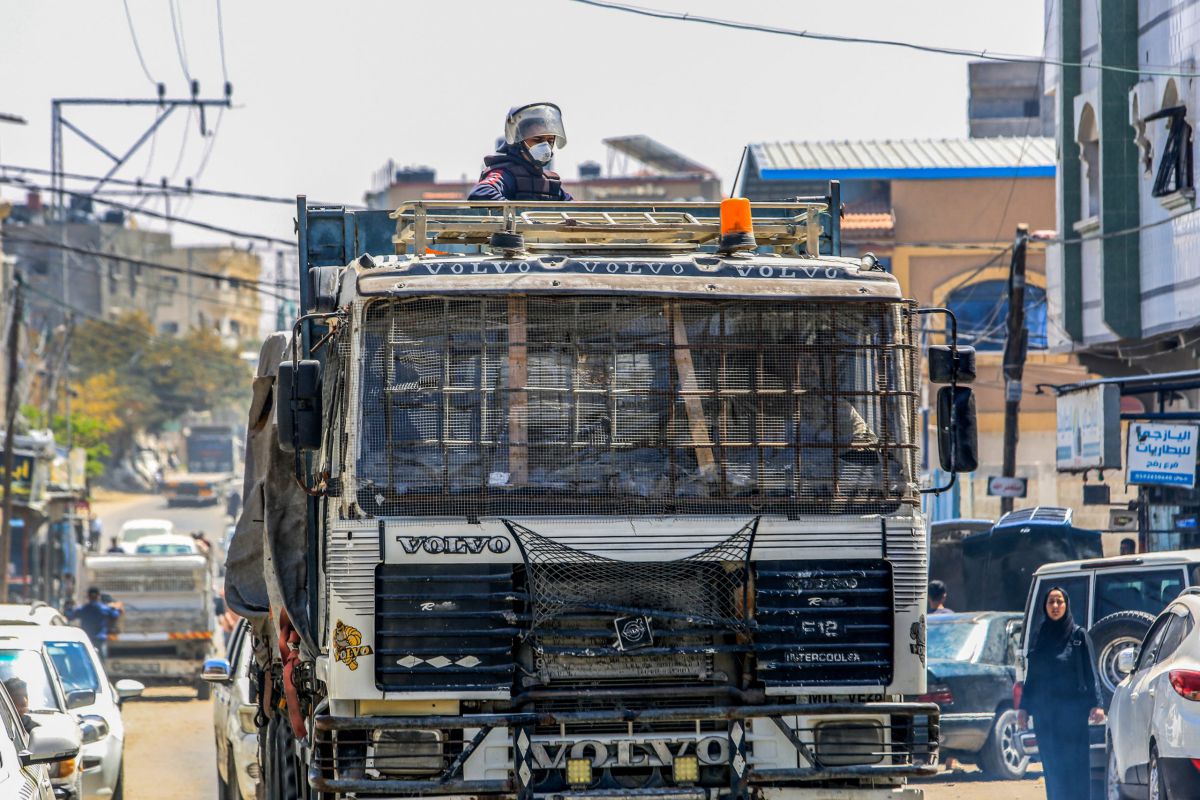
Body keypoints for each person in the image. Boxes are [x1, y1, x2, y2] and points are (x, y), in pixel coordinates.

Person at [1019, 587, 1104, 800]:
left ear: (1066, 605)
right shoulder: (1041, 636)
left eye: (1059, 602)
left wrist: (1097, 704)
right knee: (1052, 767)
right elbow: (1033, 677)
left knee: (1076, 766)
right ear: (1045, 607)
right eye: (1051, 602)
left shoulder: (1078, 636)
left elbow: (1091, 671)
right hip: (1045, 716)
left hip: (1073, 715)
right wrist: (1023, 708)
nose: (1055, 606)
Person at [468, 103, 574, 201]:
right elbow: (481, 192)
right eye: (537, 140)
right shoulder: (505, 174)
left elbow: (575, 208)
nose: (545, 145)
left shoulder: (550, 182)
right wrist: (515, 214)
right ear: (519, 141)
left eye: (550, 141)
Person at [66, 586, 123, 660]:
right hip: (100, 640)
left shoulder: (83, 609)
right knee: (101, 662)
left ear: (88, 596)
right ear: (98, 596)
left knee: (87, 661)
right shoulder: (104, 608)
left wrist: (69, 607)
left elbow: (70, 616)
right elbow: (115, 615)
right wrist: (116, 607)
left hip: (87, 640)